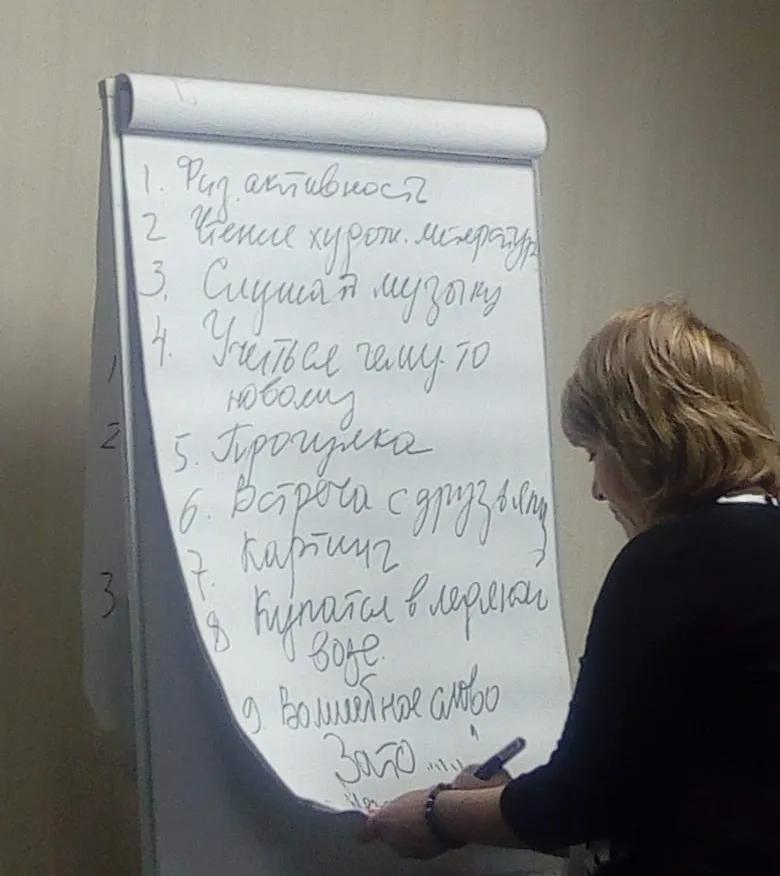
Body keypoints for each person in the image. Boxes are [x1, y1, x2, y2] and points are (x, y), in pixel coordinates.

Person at [359, 300, 780, 875]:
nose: (597, 490)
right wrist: (510, 801)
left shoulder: (671, 561)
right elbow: (689, 791)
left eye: (594, 454)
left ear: (643, 440)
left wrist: (437, 814)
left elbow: (579, 800)